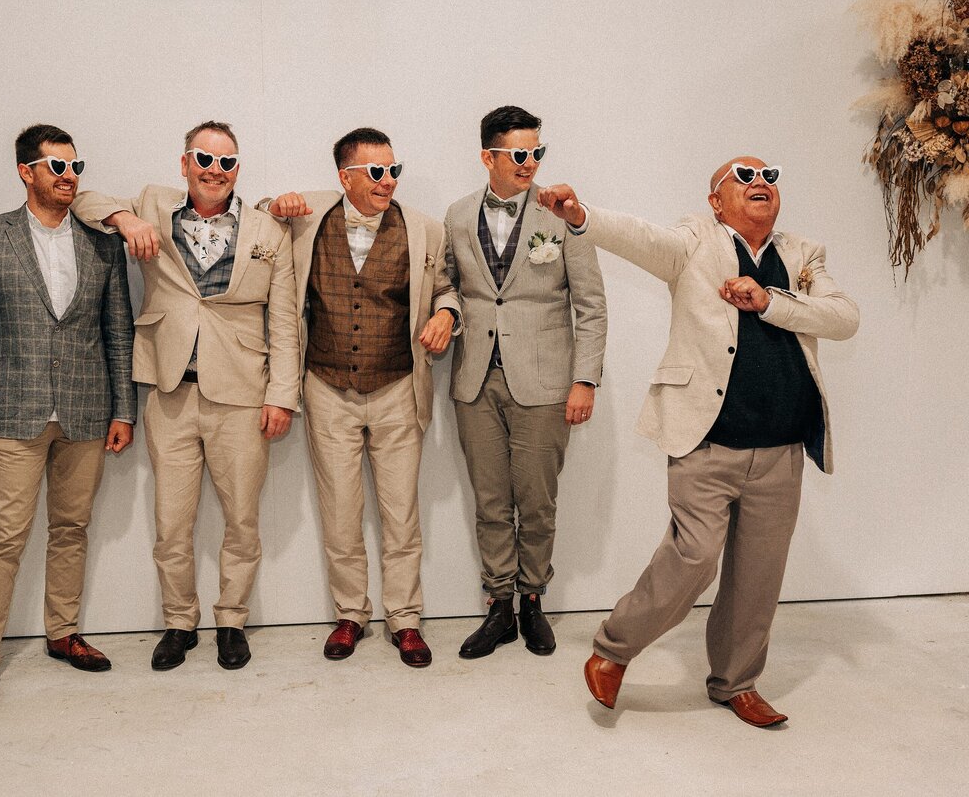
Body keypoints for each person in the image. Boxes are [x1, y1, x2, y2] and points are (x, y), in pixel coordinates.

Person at [539, 156, 859, 727]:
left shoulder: (802, 253)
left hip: (782, 447)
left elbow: (842, 318)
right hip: (707, 440)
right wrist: (582, 214)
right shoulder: (693, 241)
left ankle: (736, 683)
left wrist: (769, 300)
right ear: (716, 201)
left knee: (759, 574)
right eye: (743, 176)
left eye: (770, 176)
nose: (760, 182)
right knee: (694, 554)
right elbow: (641, 237)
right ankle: (613, 650)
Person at [72, 121, 299, 672]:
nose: (214, 170)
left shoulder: (270, 230)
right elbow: (82, 198)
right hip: (169, 392)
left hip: (243, 395)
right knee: (171, 521)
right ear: (185, 163)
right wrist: (125, 220)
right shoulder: (152, 203)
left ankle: (231, 621)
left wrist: (282, 395)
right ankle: (179, 621)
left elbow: (286, 321)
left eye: (226, 162)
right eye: (204, 158)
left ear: (238, 169)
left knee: (241, 518)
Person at [0, 123, 136, 716]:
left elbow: (117, 333)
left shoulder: (101, 242)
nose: (68, 177)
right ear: (26, 172)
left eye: (75, 167)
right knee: (4, 535)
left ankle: (62, 632)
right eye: (56, 167)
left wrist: (124, 409)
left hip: (86, 409)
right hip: (13, 410)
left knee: (72, 527)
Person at [263, 127, 460, 667]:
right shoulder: (307, 219)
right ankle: (350, 614)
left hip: (398, 387)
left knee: (402, 514)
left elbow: (445, 286)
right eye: (376, 172)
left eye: (393, 170)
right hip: (326, 387)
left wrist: (446, 314)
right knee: (341, 513)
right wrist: (272, 202)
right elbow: (256, 213)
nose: (388, 180)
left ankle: (407, 620)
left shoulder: (424, 229)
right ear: (344, 176)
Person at [444, 106, 606, 659]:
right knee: (490, 500)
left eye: (538, 152)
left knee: (536, 500)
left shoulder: (563, 216)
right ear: (488, 157)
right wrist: (446, 312)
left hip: (545, 382)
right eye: (519, 154)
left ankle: (533, 599)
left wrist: (585, 379)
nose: (530, 163)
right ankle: (498, 607)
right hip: (474, 380)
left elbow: (590, 305)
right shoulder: (458, 216)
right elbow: (449, 286)